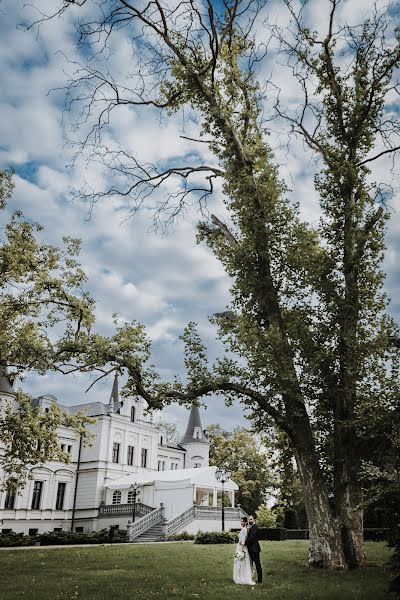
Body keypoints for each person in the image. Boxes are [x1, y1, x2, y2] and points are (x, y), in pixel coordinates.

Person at [233, 517, 254, 585]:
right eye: (241, 521)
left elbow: (243, 542)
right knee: (242, 563)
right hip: (242, 547)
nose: (241, 522)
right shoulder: (246, 529)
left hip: (241, 547)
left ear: (245, 522)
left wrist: (240, 551)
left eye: (242, 521)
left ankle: (241, 577)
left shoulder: (244, 530)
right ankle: (242, 576)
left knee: (241, 563)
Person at [246, 515, 263, 585]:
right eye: (249, 520)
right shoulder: (250, 527)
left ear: (254, 520)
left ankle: (260, 580)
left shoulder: (255, 527)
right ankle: (249, 578)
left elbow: (252, 538)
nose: (249, 521)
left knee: (257, 565)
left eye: (251, 519)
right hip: (250, 549)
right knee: (250, 564)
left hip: (255, 549)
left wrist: (244, 542)